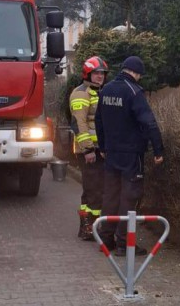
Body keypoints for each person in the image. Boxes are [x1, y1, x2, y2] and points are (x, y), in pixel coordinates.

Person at [95, 56, 164, 257]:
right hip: (132, 155)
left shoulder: (106, 90)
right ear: (136, 73)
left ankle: (105, 240)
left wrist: (103, 146)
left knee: (110, 196)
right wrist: (158, 150)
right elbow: (149, 123)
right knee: (129, 197)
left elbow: (99, 120)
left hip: (112, 153)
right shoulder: (134, 92)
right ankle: (125, 244)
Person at [69, 56, 108, 241]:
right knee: (94, 189)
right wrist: (88, 150)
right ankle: (89, 226)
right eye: (97, 73)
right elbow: (78, 123)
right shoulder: (81, 93)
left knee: (95, 188)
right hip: (89, 152)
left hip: (99, 150)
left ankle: (89, 226)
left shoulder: (98, 92)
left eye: (102, 73)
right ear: (88, 74)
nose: (100, 76)